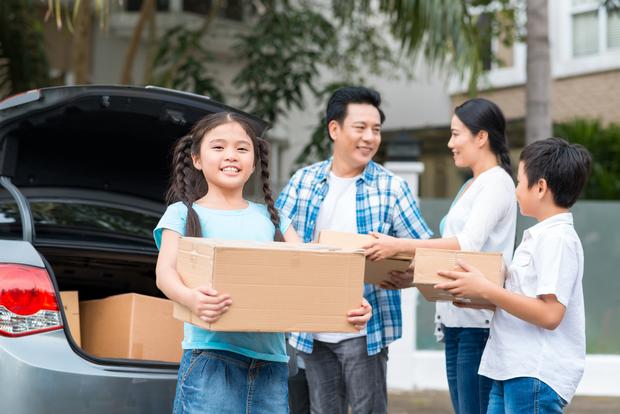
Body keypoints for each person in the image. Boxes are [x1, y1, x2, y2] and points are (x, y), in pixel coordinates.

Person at [153, 112, 372, 414]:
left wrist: (349, 302)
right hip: (212, 357)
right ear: (197, 159)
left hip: (272, 363)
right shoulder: (182, 214)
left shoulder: (274, 219)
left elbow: (316, 272)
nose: (231, 155)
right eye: (218, 147)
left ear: (254, 162)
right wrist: (191, 298)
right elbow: (165, 273)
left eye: (242, 149)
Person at [277, 86, 432, 414]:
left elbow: (426, 250)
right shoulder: (305, 181)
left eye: (375, 130)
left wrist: (407, 277)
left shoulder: (392, 187)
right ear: (334, 129)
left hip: (366, 329)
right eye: (360, 128)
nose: (370, 138)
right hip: (311, 329)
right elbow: (273, 228)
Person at [364, 98, 517, 414]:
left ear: (481, 137)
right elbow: (457, 256)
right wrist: (412, 278)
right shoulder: (473, 185)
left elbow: (467, 243)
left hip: (478, 323)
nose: (450, 143)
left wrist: (400, 246)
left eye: (456, 134)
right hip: (456, 319)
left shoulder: (497, 183)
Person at [436, 137, 592, 413]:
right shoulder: (540, 236)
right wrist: (476, 296)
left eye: (519, 182)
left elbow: (550, 315)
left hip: (533, 373)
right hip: (510, 368)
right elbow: (523, 301)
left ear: (540, 187)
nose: (516, 190)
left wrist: (486, 290)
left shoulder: (558, 239)